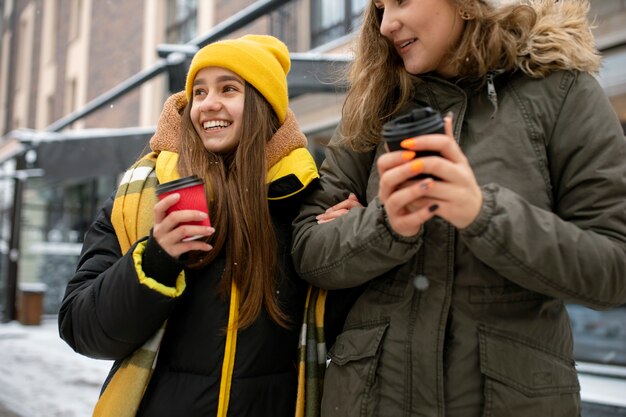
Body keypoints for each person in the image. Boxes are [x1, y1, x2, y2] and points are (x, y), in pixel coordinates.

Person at [291, 1, 626, 416]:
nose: (386, 24)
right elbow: (308, 249)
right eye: (377, 8)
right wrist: (384, 224)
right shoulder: (375, 103)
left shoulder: (561, 91)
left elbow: (614, 268)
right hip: (369, 400)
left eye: (399, 2)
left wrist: (482, 214)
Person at [58, 34, 320, 417]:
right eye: (198, 91)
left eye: (228, 89)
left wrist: (343, 238)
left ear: (264, 105)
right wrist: (156, 259)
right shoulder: (140, 197)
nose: (207, 104)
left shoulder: (303, 197)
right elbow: (83, 328)